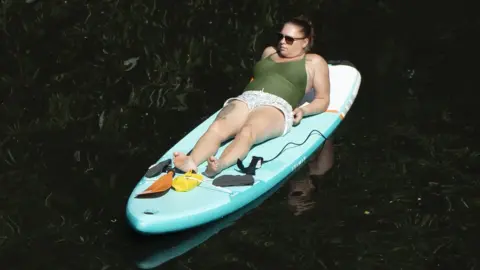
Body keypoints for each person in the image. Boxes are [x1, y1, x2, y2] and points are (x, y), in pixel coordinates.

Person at [173, 15, 331, 177]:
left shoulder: (313, 62)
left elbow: (323, 99)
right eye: (280, 37)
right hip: (247, 98)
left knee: (248, 132)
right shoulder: (269, 52)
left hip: (276, 105)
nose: (282, 42)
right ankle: (191, 161)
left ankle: (220, 164)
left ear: (305, 42)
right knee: (217, 128)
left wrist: (304, 111)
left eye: (289, 39)